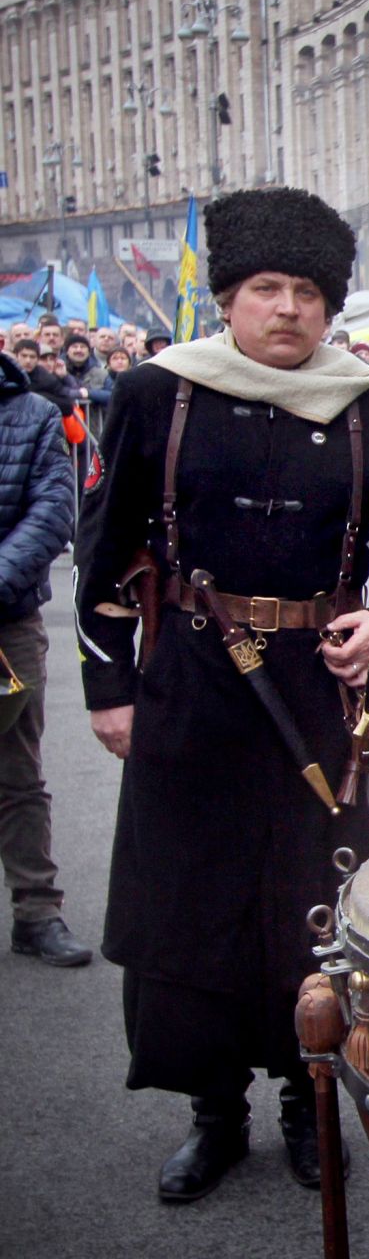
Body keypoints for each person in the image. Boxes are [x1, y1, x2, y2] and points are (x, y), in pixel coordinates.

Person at [74, 187, 369, 1204]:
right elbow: (105, 548)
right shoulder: (162, 392)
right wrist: (108, 688)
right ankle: (214, 1111)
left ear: (330, 308)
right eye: (265, 289)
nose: (287, 309)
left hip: (314, 696)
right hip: (192, 686)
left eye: (307, 293)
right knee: (187, 907)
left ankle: (305, 1097)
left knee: (309, 909)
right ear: (230, 298)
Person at [0, 346, 90, 967]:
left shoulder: (33, 413)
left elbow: (54, 511)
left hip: (7, 619)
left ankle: (36, 910)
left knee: (16, 772)